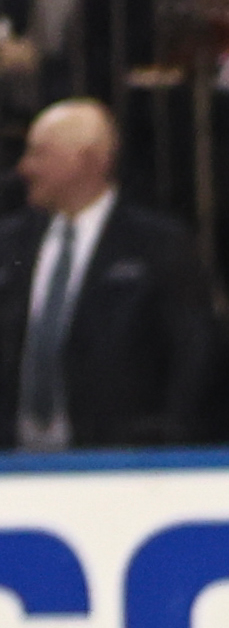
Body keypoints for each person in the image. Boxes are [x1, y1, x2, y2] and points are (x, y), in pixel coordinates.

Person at [0, 99, 212, 450]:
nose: (24, 168)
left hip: (119, 465)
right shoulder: (8, 244)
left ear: (88, 160)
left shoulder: (157, 245)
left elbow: (194, 353)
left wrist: (162, 445)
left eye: (40, 154)